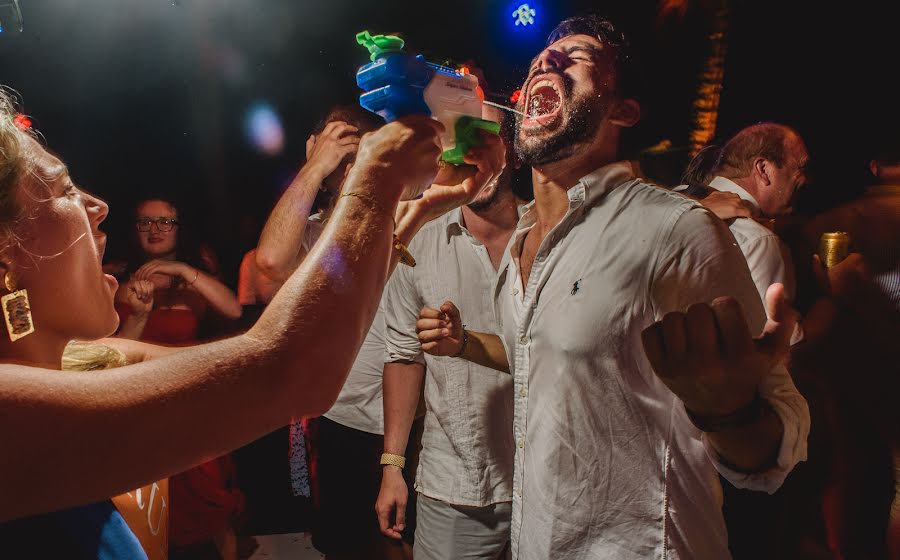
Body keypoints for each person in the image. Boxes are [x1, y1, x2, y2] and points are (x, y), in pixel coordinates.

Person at [0, 88, 500, 554]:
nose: (99, 206)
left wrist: (403, 223)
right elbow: (286, 367)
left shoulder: (83, 362)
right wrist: (378, 176)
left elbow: (284, 347)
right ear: (5, 257)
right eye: (65, 189)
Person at [416, 15, 809, 559]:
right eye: (538, 62)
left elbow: (775, 447)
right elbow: (536, 358)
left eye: (575, 56)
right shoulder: (520, 243)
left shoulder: (675, 229)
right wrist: (463, 343)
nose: (546, 61)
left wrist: (728, 410)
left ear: (621, 111)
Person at [376, 106, 521, 559]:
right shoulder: (416, 241)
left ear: (511, 151)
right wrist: (393, 466)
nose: (469, 154)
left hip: (549, 484)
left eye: (483, 136)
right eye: (456, 143)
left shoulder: (550, 235)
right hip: (454, 483)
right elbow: (403, 355)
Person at [680, 123, 810, 309]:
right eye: (802, 167)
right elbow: (779, 336)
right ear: (763, 169)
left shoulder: (670, 198)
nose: (806, 179)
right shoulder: (760, 241)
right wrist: (835, 298)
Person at [114, 196, 242, 343]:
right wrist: (138, 316)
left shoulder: (194, 280)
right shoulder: (119, 278)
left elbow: (235, 311)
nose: (153, 230)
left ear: (181, 229)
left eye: (165, 222)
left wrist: (183, 269)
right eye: (145, 222)